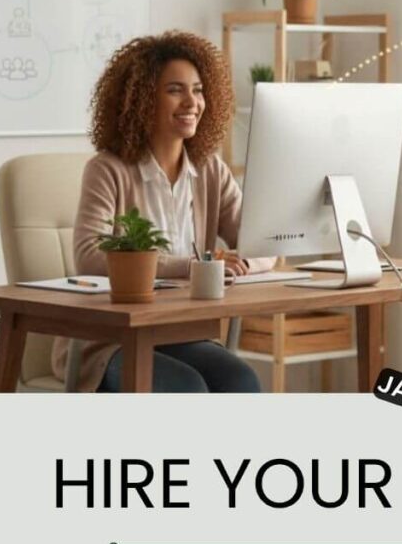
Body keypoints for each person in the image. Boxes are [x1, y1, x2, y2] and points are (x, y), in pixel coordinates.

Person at [52, 30, 272, 393]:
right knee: (186, 389)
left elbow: (264, 239)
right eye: (175, 90)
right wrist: (194, 266)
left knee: (241, 381)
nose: (192, 102)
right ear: (141, 99)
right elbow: (90, 257)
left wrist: (241, 263)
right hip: (109, 343)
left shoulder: (210, 171)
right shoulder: (107, 170)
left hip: (181, 333)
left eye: (198, 90)